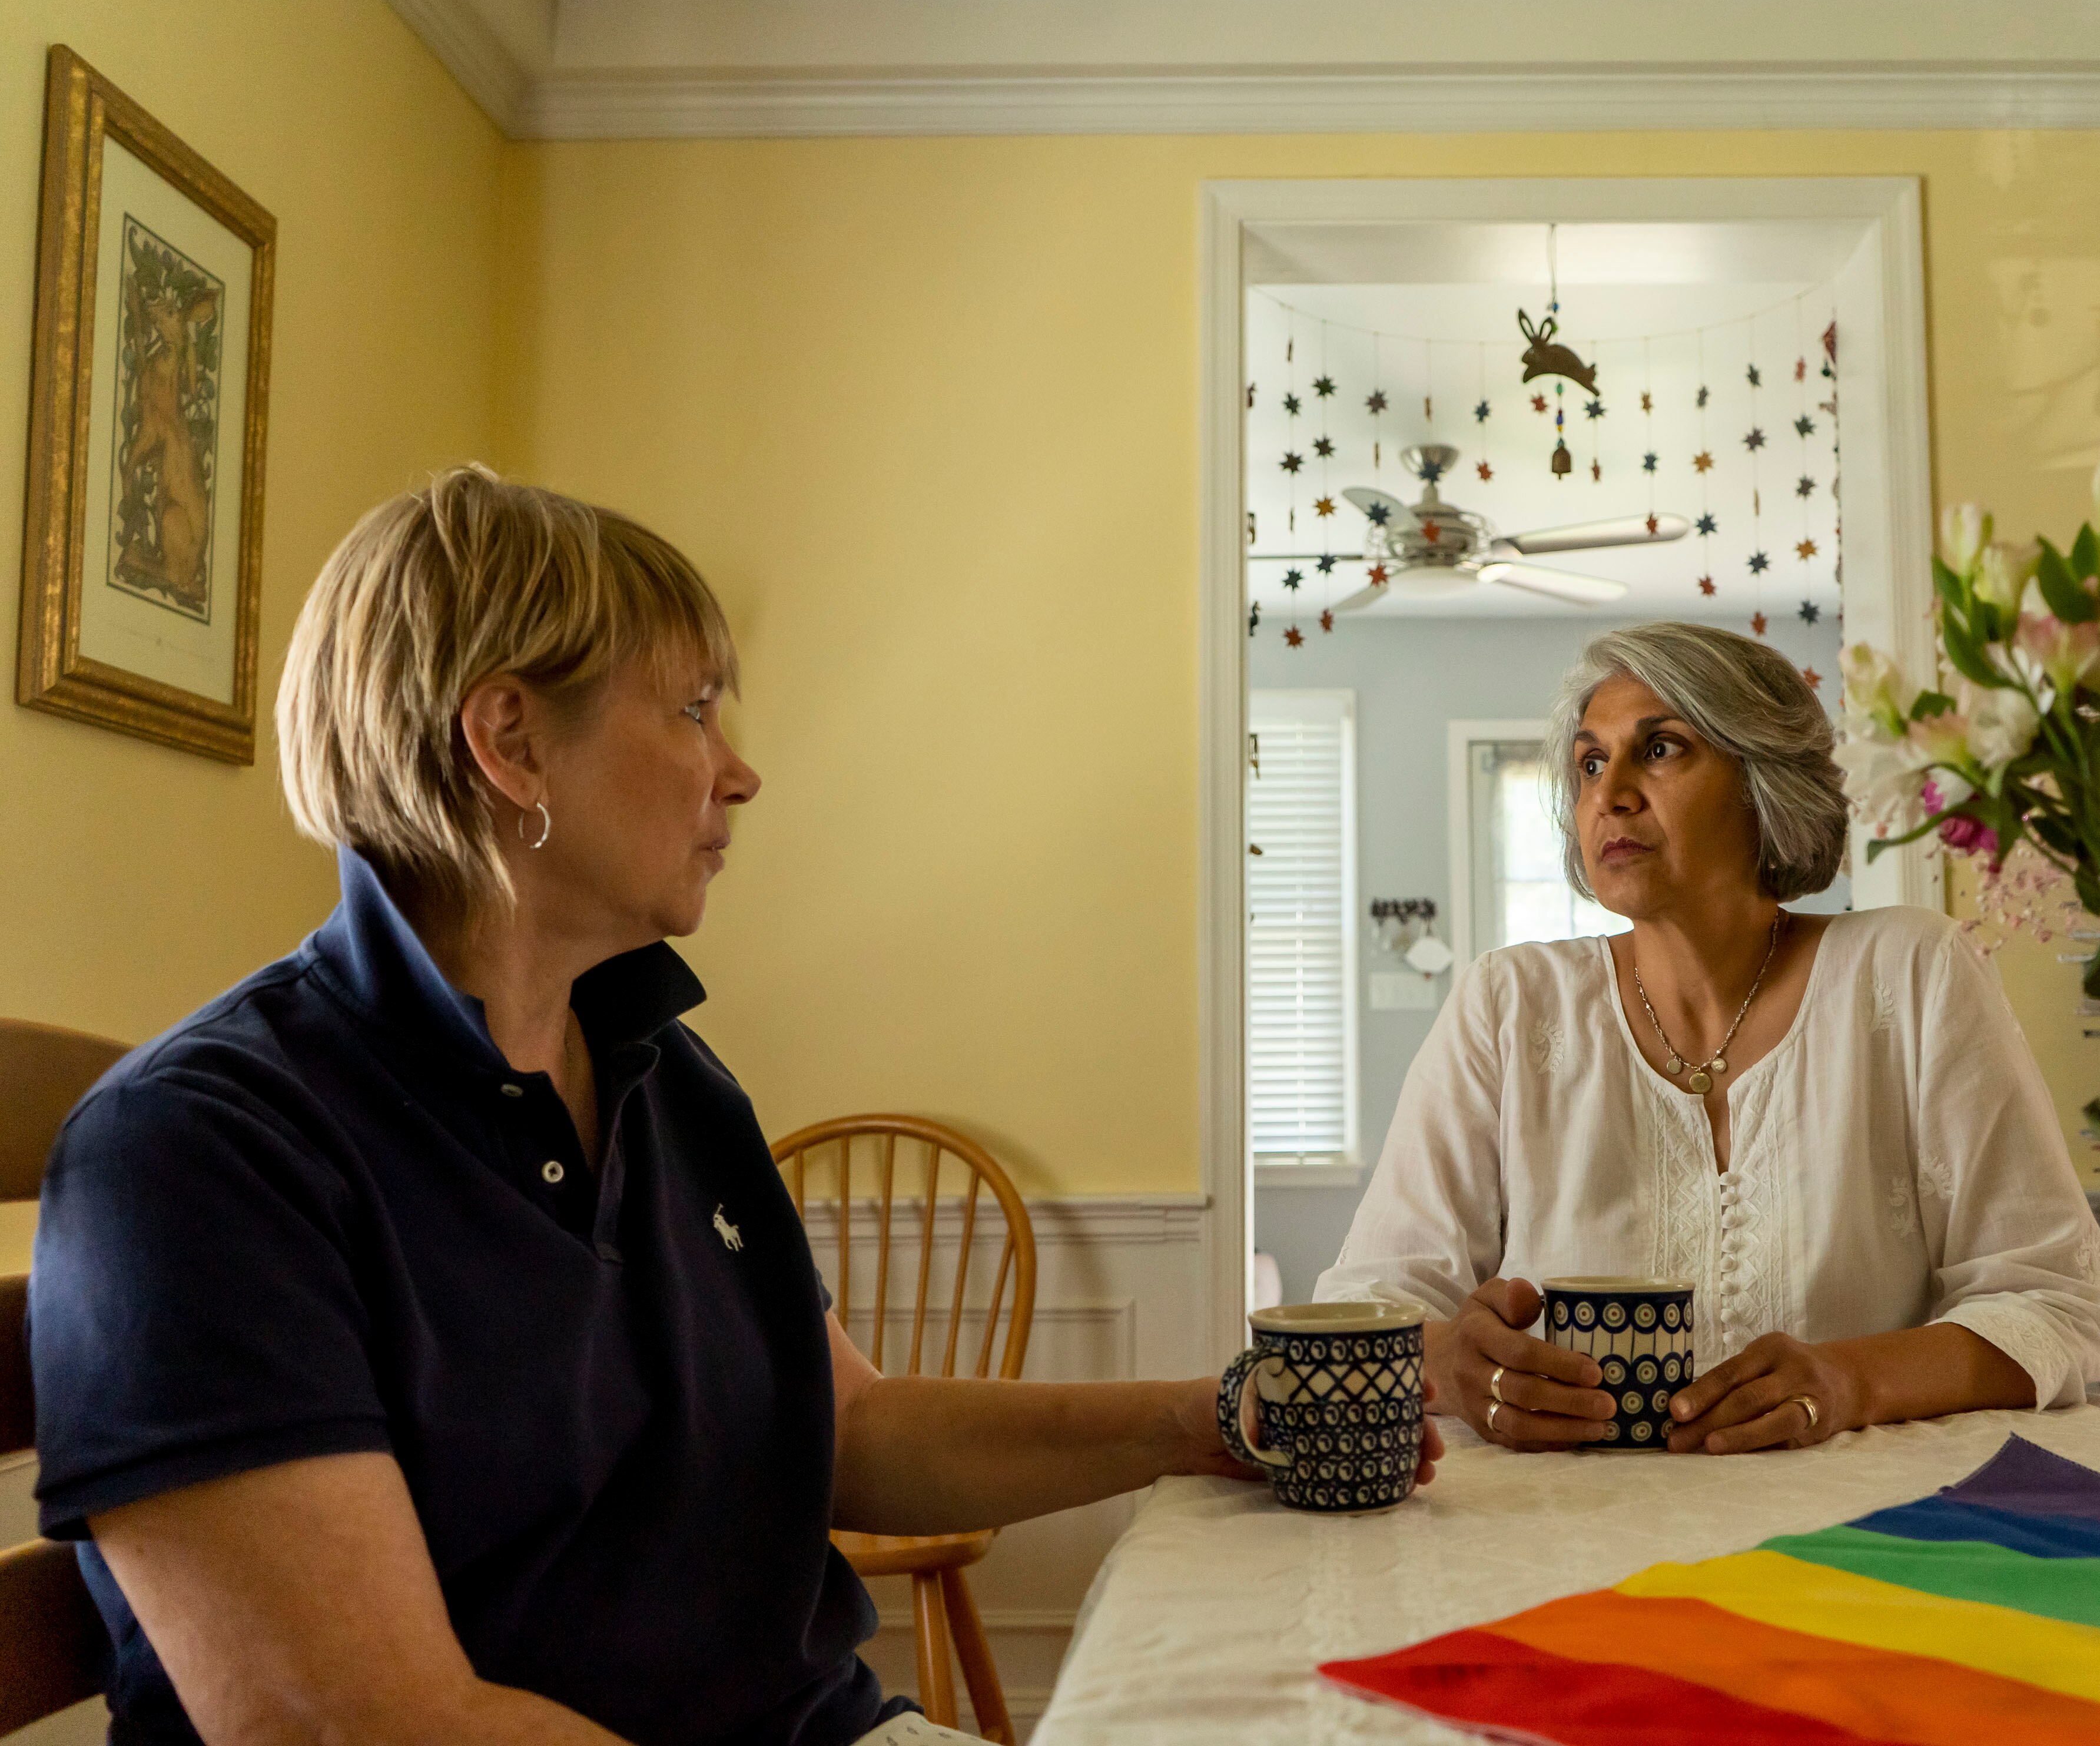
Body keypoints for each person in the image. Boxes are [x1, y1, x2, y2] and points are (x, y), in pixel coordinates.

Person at [29, 467, 1441, 1746]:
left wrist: (1212, 1419)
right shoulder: (206, 1152)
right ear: (512, 745)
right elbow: (371, 1726)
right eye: (694, 707)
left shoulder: (657, 1067)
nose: (740, 768)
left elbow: (850, 1431)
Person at [1316, 621, 2100, 1456]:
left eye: (1660, 749)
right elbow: (1364, 1309)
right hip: (1552, 1534)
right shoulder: (1507, 1005)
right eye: (1590, 763)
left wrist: (1848, 1382)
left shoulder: (1912, 972)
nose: (1610, 794)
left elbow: (2054, 1304)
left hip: (1872, 1531)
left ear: (1761, 781)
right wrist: (1454, 1360)